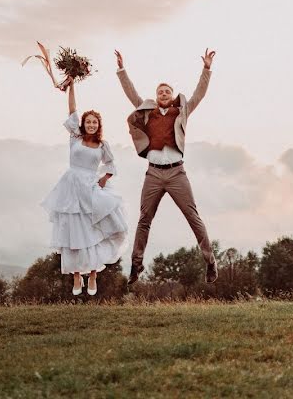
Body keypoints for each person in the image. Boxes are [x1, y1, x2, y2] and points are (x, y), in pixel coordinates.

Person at [114, 49, 218, 285]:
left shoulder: (182, 111)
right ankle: (136, 265)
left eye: (167, 91)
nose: (163, 94)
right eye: (160, 91)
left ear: (172, 96)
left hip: (176, 173)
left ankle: (210, 261)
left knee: (193, 216)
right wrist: (122, 69)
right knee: (144, 219)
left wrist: (206, 69)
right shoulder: (147, 112)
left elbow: (199, 94)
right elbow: (131, 93)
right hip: (153, 173)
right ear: (156, 96)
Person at [40, 76, 128, 295]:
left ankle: (93, 275)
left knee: (93, 230)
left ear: (98, 125)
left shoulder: (102, 145)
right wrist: (71, 85)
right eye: (88, 121)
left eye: (94, 122)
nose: (90, 124)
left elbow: (110, 165)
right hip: (71, 188)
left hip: (90, 188)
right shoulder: (76, 137)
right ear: (83, 124)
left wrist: (104, 179)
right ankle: (76, 276)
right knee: (73, 231)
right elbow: (72, 109)